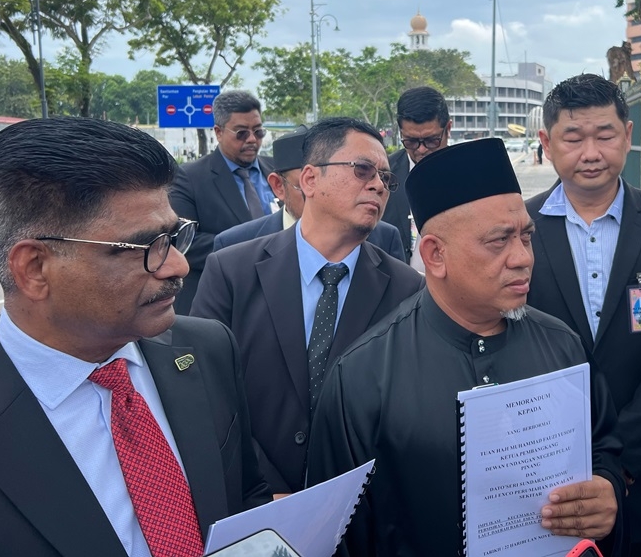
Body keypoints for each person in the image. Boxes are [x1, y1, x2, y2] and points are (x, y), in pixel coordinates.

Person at [0, 117, 269, 556]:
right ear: (34, 268)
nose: (178, 266)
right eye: (145, 247)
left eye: (174, 237)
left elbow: (244, 497)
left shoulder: (208, 350)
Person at [308, 138, 625, 557]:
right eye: (499, 241)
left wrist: (606, 491)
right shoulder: (363, 377)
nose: (522, 258)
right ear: (435, 255)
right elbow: (336, 537)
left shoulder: (563, 347)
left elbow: (603, 450)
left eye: (525, 237)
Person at [526, 73, 641, 556]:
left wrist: (619, 464)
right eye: (573, 138)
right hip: (543, 478)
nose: (591, 153)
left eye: (605, 135)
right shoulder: (518, 230)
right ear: (547, 142)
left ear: (628, 135)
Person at [191, 117, 425, 495]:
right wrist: (264, 491)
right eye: (362, 169)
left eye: (385, 177)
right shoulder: (232, 271)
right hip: (254, 502)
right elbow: (205, 392)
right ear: (310, 179)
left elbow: (407, 410)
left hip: (360, 503)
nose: (379, 185)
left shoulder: (407, 288)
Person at [212, 126, 404, 260]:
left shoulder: (384, 238)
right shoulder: (234, 246)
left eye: (385, 178)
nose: (378, 186)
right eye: (302, 187)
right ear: (278, 186)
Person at [169, 90, 276, 314]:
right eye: (241, 133)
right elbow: (184, 241)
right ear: (218, 132)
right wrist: (262, 248)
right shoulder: (190, 177)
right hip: (223, 300)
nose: (252, 140)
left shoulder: (279, 170)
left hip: (277, 293)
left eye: (258, 131)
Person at [382, 86, 452, 266]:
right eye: (411, 141)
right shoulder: (383, 175)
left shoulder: (471, 173)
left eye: (431, 140)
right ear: (401, 133)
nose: (421, 149)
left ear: (448, 128)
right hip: (397, 279)